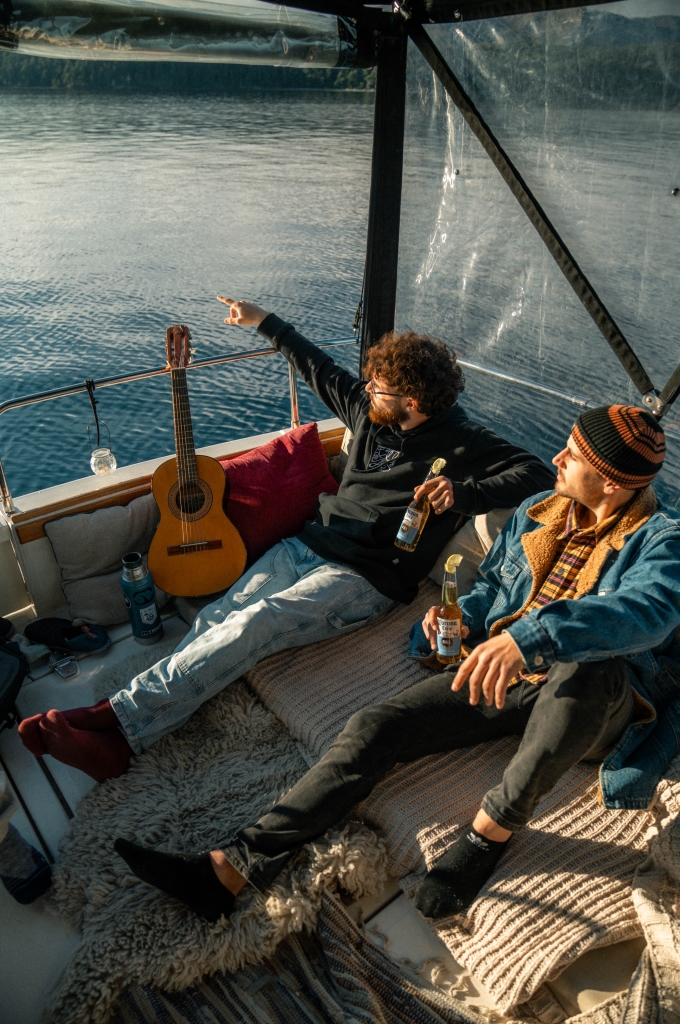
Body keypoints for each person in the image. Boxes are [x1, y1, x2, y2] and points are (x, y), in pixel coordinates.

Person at [113, 405, 680, 925]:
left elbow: (648, 611)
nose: (556, 458)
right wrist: (455, 617)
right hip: (502, 673)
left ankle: (490, 831)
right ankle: (231, 868)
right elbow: (489, 587)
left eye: (572, 455)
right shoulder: (538, 511)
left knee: (588, 664)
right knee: (374, 727)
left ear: (611, 482)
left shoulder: (662, 539)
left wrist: (531, 638)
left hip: (596, 702)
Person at [18, 299, 553, 782]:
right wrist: (262, 321)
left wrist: (462, 493)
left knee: (256, 622)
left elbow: (538, 474)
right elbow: (317, 366)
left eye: (379, 388)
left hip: (365, 579)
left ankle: (114, 722)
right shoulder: (371, 412)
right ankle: (129, 729)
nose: (367, 391)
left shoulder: (465, 442)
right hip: (307, 545)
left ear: (412, 400)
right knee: (215, 618)